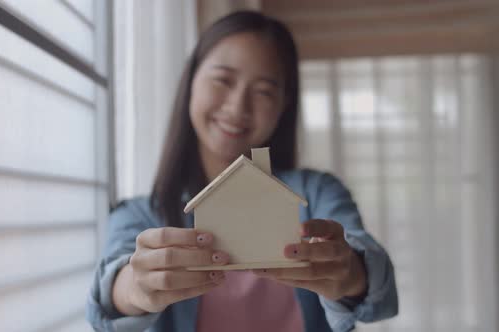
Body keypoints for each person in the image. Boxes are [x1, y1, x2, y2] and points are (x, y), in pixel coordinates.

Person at [86, 11, 398, 332]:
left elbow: (371, 269)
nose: (238, 107)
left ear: (283, 104)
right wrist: (135, 287)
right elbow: (110, 293)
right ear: (191, 78)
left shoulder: (316, 193)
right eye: (223, 80)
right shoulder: (141, 216)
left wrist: (349, 270)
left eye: (263, 91)